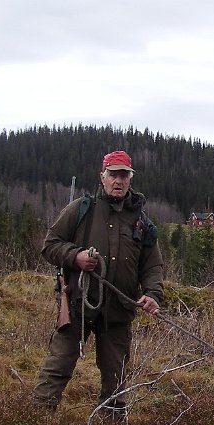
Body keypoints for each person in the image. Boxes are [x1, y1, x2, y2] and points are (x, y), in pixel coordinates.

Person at [33, 150, 164, 411]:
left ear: (130, 179)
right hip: (78, 307)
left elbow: (153, 266)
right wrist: (75, 257)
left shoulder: (141, 222)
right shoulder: (81, 209)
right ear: (102, 176)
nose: (119, 181)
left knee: (115, 386)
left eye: (124, 175)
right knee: (55, 371)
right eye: (113, 174)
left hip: (118, 314)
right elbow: (50, 246)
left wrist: (153, 294)